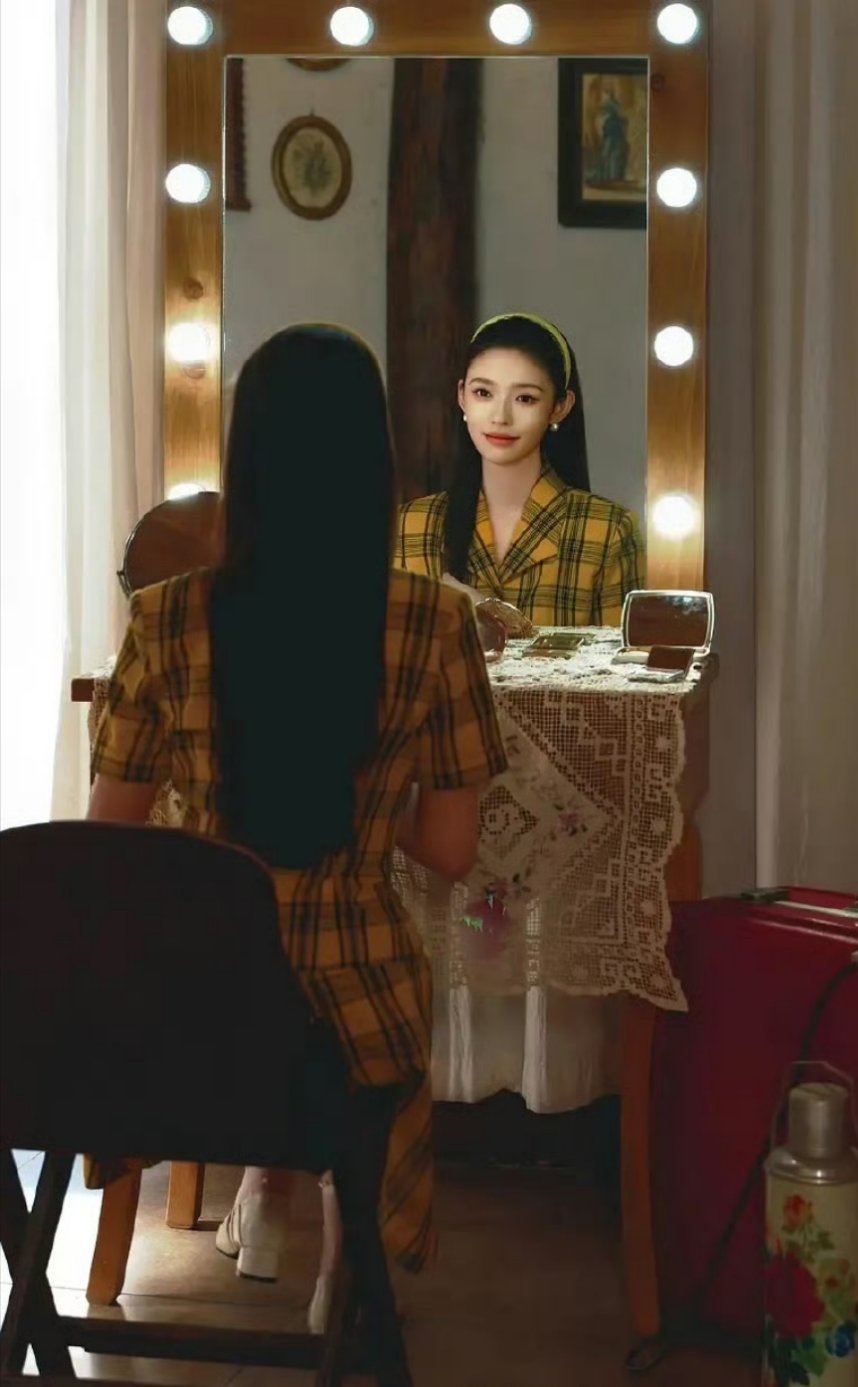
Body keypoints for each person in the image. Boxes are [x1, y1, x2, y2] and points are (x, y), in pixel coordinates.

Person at [86, 323, 507, 1333]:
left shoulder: (164, 617)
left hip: (189, 1007)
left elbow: (110, 843)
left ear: (245, 458)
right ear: (375, 466)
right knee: (359, 1028)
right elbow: (452, 851)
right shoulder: (434, 621)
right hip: (352, 1022)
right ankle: (344, 1259)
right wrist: (371, 803)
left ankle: (262, 1199)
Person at [397, 312, 644, 628]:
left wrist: (494, 618)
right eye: (483, 393)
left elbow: (622, 659)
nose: (500, 416)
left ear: (560, 407)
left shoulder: (608, 531)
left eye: (525, 398)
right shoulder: (410, 526)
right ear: (461, 396)